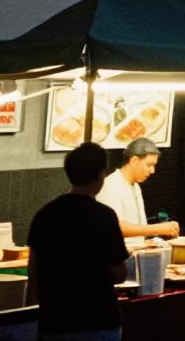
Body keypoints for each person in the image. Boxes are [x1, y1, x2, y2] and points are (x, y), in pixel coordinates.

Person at [27, 142, 129, 341]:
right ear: (100, 175)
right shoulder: (104, 216)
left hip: (55, 324)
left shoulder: (44, 215)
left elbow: (33, 272)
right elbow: (119, 274)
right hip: (98, 323)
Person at [97, 136, 179, 239]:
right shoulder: (111, 185)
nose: (152, 171)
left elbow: (138, 229)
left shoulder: (135, 186)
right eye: (149, 165)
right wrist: (159, 228)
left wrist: (153, 238)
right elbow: (114, 227)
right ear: (134, 160)